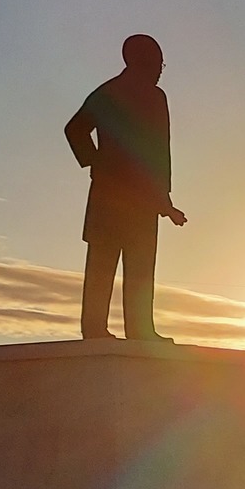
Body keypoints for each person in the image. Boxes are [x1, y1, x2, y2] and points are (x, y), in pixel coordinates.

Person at [64, 33, 187, 341]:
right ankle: (94, 328)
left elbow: (160, 153)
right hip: (110, 197)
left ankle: (141, 329)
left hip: (144, 201)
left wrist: (165, 202)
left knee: (141, 268)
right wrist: (97, 164)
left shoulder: (156, 98)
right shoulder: (109, 93)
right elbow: (75, 129)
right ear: (140, 61)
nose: (161, 69)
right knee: (102, 264)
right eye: (157, 62)